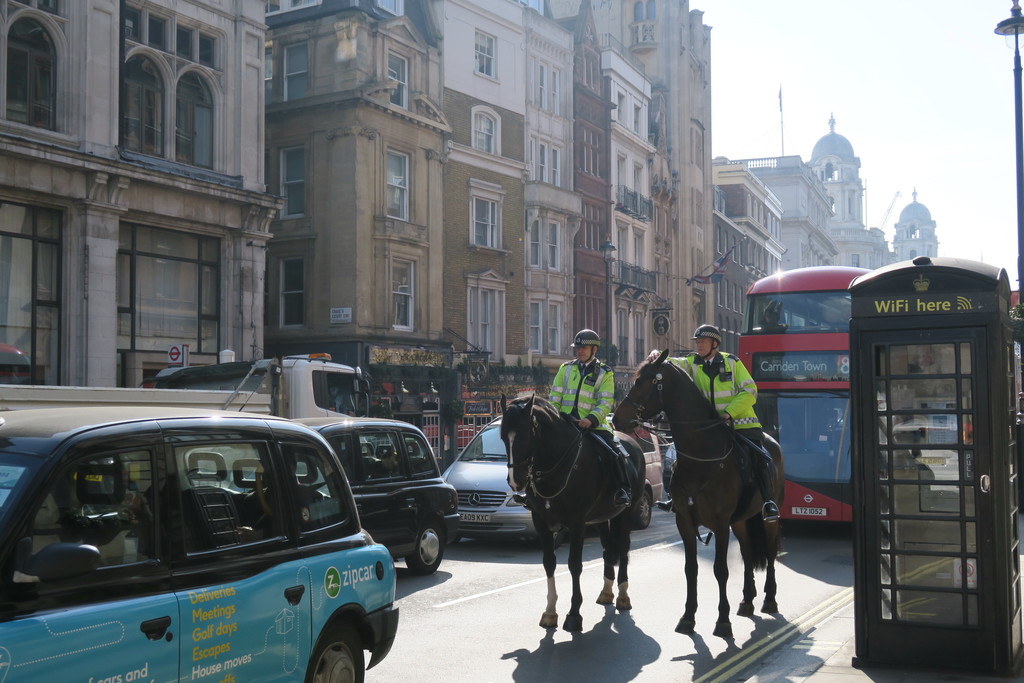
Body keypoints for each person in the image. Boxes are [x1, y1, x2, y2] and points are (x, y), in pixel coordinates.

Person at [655, 324, 779, 522]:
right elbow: (674, 363)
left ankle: (768, 501)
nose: (699, 345)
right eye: (697, 342)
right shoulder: (693, 362)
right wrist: (658, 356)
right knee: (686, 456)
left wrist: (729, 413)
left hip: (741, 424)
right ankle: (675, 498)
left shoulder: (732, 362)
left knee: (758, 457)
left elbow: (750, 390)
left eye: (703, 342)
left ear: (715, 344)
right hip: (711, 429)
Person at [516, 329, 632, 508]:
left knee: (614, 452)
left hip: (593, 426)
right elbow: (555, 397)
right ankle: (530, 493)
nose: (580, 351)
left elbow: (605, 401)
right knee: (538, 450)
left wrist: (592, 419)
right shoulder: (566, 369)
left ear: (594, 349)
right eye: (578, 347)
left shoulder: (604, 372)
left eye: (584, 348)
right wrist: (555, 419)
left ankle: (622, 490)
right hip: (565, 424)